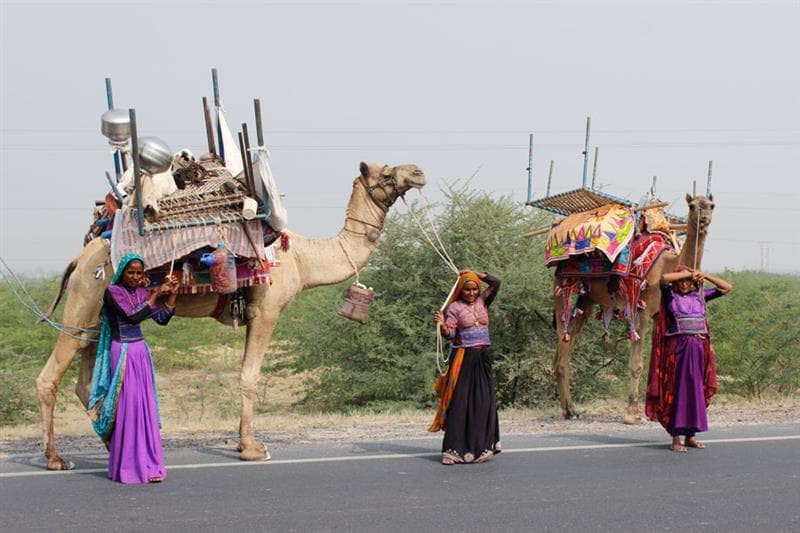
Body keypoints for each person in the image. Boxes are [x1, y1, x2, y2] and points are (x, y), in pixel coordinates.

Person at [88, 253, 178, 483]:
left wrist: (171, 298)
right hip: (123, 353)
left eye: (139, 273)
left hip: (140, 353)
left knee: (144, 407)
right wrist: (157, 294)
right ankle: (128, 467)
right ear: (122, 273)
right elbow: (132, 317)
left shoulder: (141, 292)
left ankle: (149, 465)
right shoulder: (112, 292)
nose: (135, 277)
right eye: (131, 272)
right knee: (128, 408)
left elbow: (161, 319)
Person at [645, 265, 733, 453]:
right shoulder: (670, 295)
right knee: (678, 390)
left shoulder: (700, 296)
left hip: (698, 349)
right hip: (678, 350)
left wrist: (705, 275)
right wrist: (688, 273)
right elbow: (664, 278)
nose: (684, 284)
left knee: (695, 391)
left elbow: (727, 287)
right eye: (681, 281)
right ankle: (676, 438)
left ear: (694, 284)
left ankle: (690, 436)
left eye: (688, 282)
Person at [430, 270, 501, 465]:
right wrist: (443, 325)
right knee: (460, 403)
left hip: (483, 358)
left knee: (483, 401)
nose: (470, 293)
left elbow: (496, 282)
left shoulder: (483, 301)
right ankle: (452, 451)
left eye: (474, 289)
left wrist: (475, 273)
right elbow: (450, 334)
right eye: (467, 289)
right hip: (463, 358)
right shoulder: (454, 308)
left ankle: (482, 448)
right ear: (460, 290)